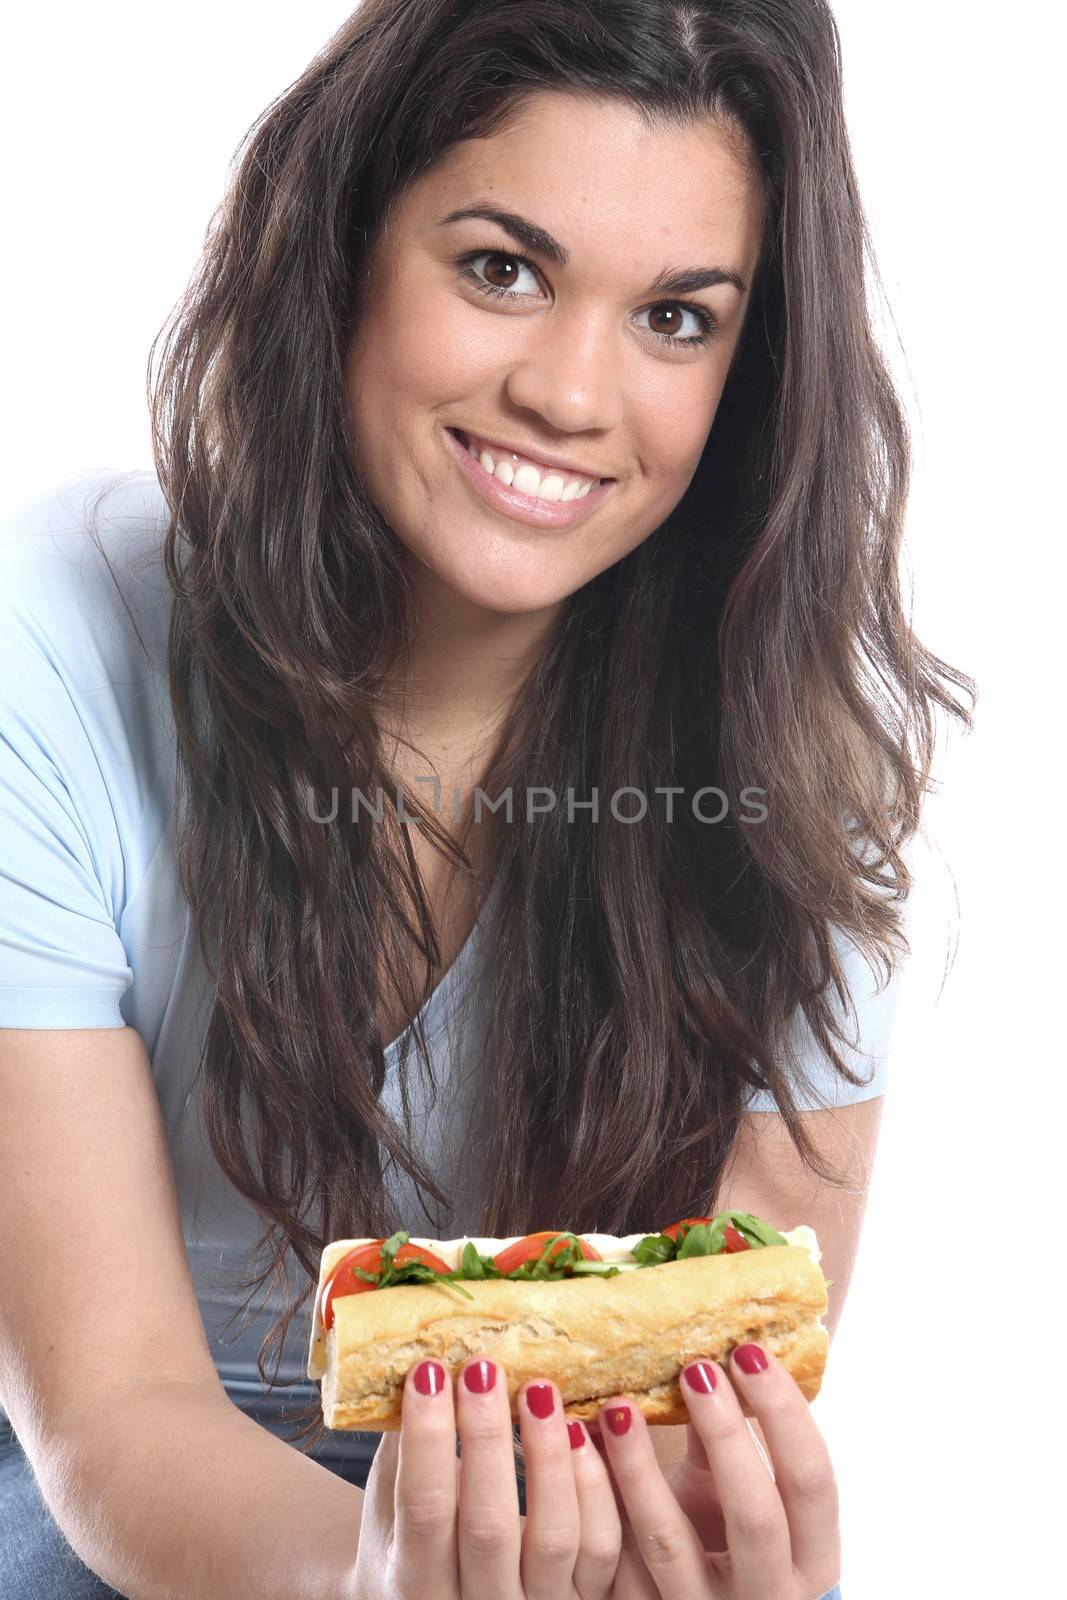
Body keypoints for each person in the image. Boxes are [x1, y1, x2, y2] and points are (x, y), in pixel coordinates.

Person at [0, 0, 975, 1595]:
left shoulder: (801, 774)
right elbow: (114, 1409)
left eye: (677, 318)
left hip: (546, 1498)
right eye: (501, 268)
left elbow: (694, 1396)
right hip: (113, 1474)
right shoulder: (44, 643)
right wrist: (384, 1584)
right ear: (343, 248)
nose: (573, 395)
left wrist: (667, 1560)